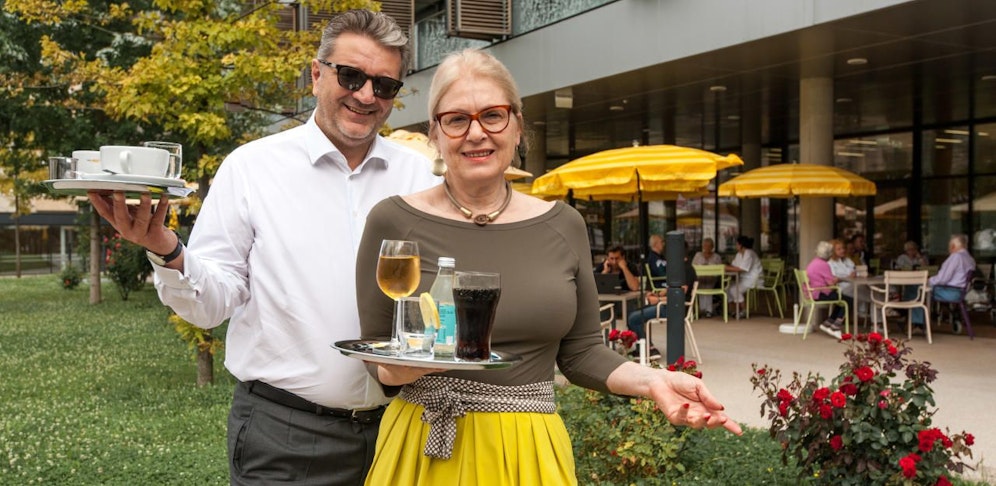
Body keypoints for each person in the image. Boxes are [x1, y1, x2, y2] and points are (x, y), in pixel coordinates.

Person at [355, 48, 741, 485]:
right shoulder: (392, 221)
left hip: (529, 450)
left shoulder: (564, 224)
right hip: (425, 446)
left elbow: (581, 354)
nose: (476, 133)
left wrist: (654, 381)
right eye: (457, 119)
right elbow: (376, 352)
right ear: (435, 135)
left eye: (493, 115)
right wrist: (400, 368)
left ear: (518, 127)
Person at [88, 10, 441, 485]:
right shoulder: (252, 168)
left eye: (384, 85)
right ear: (316, 73)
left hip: (404, 429)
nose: (365, 95)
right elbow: (212, 304)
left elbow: (435, 299)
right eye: (351, 76)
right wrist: (167, 249)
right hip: (286, 436)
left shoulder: (418, 177)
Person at [626, 247, 697, 358]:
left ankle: (648, 349)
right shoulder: (682, 269)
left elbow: (678, 295)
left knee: (633, 318)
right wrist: (658, 295)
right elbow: (672, 289)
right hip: (670, 306)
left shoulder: (686, 270)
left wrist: (658, 300)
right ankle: (645, 347)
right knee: (635, 312)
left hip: (673, 309)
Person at [911, 234, 976, 328]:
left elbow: (942, 279)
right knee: (919, 289)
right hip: (960, 292)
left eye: (949, 245)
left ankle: (917, 322)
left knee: (915, 288)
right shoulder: (970, 258)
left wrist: (927, 281)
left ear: (953, 246)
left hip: (950, 292)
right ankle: (916, 319)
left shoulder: (956, 257)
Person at [807, 241, 851, 339]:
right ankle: (835, 327)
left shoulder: (814, 262)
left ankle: (829, 322)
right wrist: (837, 279)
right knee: (847, 301)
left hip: (813, 292)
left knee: (841, 300)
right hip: (820, 293)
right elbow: (831, 283)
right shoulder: (824, 265)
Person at [725, 235, 762, 319]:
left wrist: (726, 268)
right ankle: (734, 310)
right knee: (727, 289)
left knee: (734, 289)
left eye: (737, 244)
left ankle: (744, 310)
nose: (736, 246)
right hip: (743, 279)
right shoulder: (739, 254)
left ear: (741, 245)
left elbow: (742, 269)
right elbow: (733, 266)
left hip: (753, 279)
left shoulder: (749, 253)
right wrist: (727, 266)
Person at [828, 238, 862, 317]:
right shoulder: (831, 263)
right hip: (842, 288)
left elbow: (855, 271)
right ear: (833, 251)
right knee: (871, 295)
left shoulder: (847, 260)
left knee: (871, 292)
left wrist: (856, 274)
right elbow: (833, 279)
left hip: (854, 285)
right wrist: (848, 277)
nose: (842, 250)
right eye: (839, 249)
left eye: (843, 248)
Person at [692, 237, 724, 317]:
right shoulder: (698, 255)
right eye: (705, 245)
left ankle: (707, 310)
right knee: (701, 287)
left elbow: (720, 269)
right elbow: (693, 267)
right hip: (699, 279)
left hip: (711, 279)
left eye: (709, 246)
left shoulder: (716, 257)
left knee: (708, 287)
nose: (707, 247)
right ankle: (704, 310)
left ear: (712, 247)